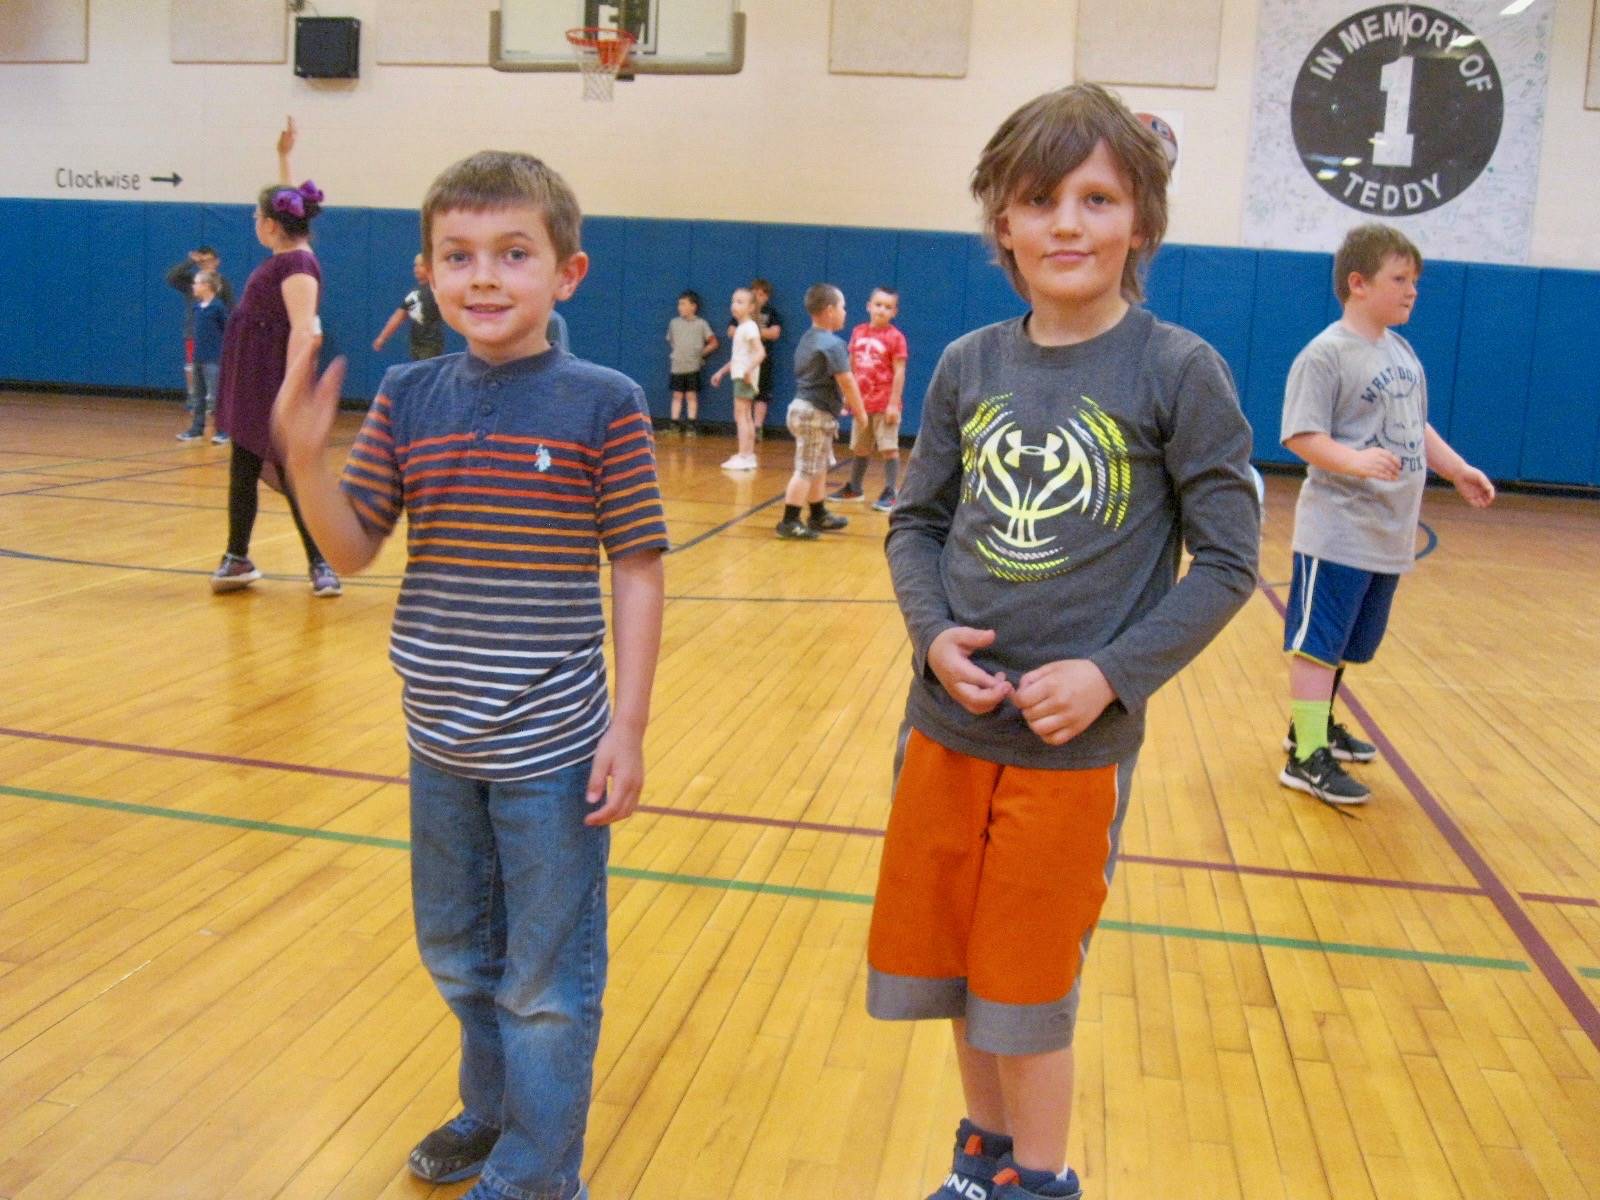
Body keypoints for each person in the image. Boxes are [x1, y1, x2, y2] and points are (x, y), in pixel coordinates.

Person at [866, 84, 1259, 1200]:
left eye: (1096, 198)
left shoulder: (1178, 372)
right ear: (1003, 222)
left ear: (1140, 220)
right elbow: (917, 522)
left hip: (1070, 756)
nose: (1067, 224)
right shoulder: (966, 366)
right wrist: (934, 637)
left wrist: (1109, 675)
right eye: (1039, 200)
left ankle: (1040, 1181)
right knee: (953, 973)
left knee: (1027, 986)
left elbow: (1229, 562)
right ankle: (980, 1162)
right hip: (944, 729)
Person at [272, 149, 668, 1200]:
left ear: (565, 273)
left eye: (512, 254)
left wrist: (626, 728)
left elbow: (635, 569)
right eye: (459, 256)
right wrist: (307, 464)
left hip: (553, 747)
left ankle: (537, 1176)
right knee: (457, 952)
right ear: (428, 272)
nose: (483, 277)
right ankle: (491, 1113)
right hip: (437, 738)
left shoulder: (605, 401)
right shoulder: (408, 394)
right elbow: (352, 551)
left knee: (546, 983)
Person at [1278, 222, 1495, 806]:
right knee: (1317, 644)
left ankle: (1312, 727)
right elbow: (1300, 435)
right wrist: (1352, 461)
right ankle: (1304, 756)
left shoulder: (1400, 352)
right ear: (1358, 283)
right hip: (1338, 531)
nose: (1412, 291)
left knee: (1350, 643)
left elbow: (1414, 426)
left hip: (1387, 533)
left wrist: (1457, 468)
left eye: (1415, 281)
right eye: (1399, 279)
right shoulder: (1326, 354)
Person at [209, 116, 340, 598]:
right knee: (243, 465)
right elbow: (291, 202)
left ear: (269, 223)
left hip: (270, 382)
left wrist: (290, 395)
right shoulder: (289, 254)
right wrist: (284, 156)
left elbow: (305, 330)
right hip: (252, 377)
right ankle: (236, 556)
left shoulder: (298, 264)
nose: (253, 222)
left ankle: (322, 562)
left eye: (255, 216)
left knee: (290, 472)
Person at [774, 284, 868, 540]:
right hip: (813, 414)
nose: (845, 312)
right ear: (829, 311)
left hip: (806, 409)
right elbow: (847, 380)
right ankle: (789, 521)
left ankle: (818, 514)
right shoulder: (833, 343)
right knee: (806, 468)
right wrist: (860, 412)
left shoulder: (808, 338)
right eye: (843, 307)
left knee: (818, 465)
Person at [831, 285, 908, 510]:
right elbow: (851, 365)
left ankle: (891, 492)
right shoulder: (858, 332)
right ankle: (854, 488)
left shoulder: (896, 338)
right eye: (878, 305)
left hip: (884, 403)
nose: (881, 310)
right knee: (860, 448)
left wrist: (894, 403)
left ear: (894, 312)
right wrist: (848, 395)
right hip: (862, 403)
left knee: (888, 448)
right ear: (868, 306)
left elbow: (900, 371)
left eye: (888, 307)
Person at [166, 245, 234, 411]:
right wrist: (191, 261)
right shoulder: (192, 282)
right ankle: (194, 398)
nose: (206, 264)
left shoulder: (222, 283)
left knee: (213, 367)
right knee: (192, 366)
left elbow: (231, 306)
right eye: (202, 262)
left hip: (216, 334)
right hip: (194, 332)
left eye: (209, 260)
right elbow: (171, 277)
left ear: (217, 262)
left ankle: (213, 401)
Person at [709, 286, 764, 470]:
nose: (734, 305)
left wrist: (749, 370)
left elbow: (760, 353)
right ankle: (747, 454)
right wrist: (721, 372)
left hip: (744, 377)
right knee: (745, 415)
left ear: (751, 307)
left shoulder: (749, 328)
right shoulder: (742, 328)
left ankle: (744, 455)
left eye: (740, 302)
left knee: (742, 416)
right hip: (741, 375)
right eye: (733, 301)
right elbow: (737, 358)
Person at [175, 270, 229, 442]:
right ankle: (197, 429)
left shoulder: (218, 307)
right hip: (199, 358)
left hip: (214, 359)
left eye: (197, 283)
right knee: (198, 397)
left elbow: (227, 331)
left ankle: (223, 431)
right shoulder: (197, 308)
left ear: (206, 286)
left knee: (216, 396)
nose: (194, 286)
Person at [728, 277, 781, 439]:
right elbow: (731, 332)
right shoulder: (743, 322)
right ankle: (746, 449)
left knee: (751, 406)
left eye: (761, 294)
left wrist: (754, 334)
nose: (758, 297)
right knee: (743, 412)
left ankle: (752, 437)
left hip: (756, 365)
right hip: (743, 365)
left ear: (766, 297)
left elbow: (774, 333)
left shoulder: (766, 316)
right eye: (755, 293)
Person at [372, 254, 445, 360]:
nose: (416, 269)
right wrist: (382, 337)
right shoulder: (413, 295)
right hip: (416, 344)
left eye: (421, 266)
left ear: (431, 268)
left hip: (431, 344)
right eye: (415, 266)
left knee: (427, 373)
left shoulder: (436, 291)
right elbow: (399, 316)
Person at [666, 289, 717, 435]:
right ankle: (674, 424)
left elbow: (713, 343)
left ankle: (691, 425)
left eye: (683, 304)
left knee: (691, 396)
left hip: (693, 367)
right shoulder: (674, 323)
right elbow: (672, 341)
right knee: (677, 395)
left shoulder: (701, 324)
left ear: (693, 306)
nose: (680, 307)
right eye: (679, 304)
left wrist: (699, 354)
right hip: (677, 366)